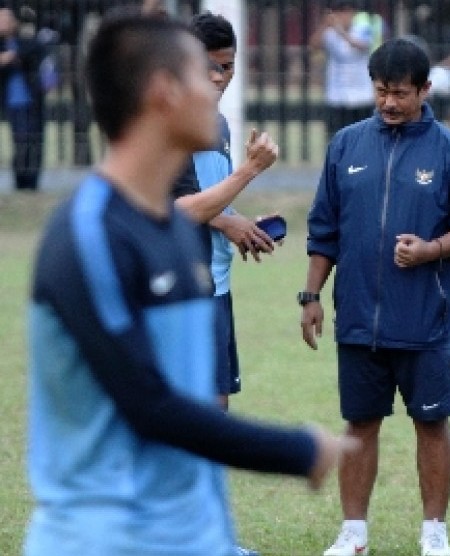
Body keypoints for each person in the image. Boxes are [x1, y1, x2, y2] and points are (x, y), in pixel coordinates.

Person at [24, 11, 353, 556]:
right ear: (163, 92)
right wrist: (298, 451)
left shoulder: (174, 235)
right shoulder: (87, 236)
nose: (220, 84)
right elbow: (152, 406)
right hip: (105, 540)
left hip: (193, 538)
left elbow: (197, 403)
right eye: (205, 75)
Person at [300, 37, 450, 556]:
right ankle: (353, 533)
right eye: (381, 91)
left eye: (401, 93)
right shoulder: (346, 145)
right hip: (359, 316)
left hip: (427, 319)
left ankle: (434, 533)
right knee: (360, 422)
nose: (389, 103)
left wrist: (430, 249)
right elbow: (324, 230)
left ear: (425, 90)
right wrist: (310, 294)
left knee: (432, 421)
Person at [172, 11, 278, 414]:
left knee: (217, 406)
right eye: (208, 66)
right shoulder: (166, 121)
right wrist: (250, 171)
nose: (219, 77)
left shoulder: (216, 122)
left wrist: (237, 223)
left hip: (216, 282)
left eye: (227, 66)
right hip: (179, 285)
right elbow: (168, 208)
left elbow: (205, 195)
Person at [309, 0, 378, 141]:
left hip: (361, 95)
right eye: (339, 13)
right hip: (337, 95)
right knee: (336, 138)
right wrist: (324, 25)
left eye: (346, 12)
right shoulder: (329, 32)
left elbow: (362, 45)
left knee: (363, 138)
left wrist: (340, 31)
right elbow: (314, 46)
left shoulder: (363, 28)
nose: (343, 17)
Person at [0, 6, 45, 191]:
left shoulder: (25, 42)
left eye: (6, 19)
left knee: (32, 141)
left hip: (30, 100)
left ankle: (31, 183)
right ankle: (20, 182)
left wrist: (12, 55)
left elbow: (38, 50)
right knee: (19, 141)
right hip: (11, 101)